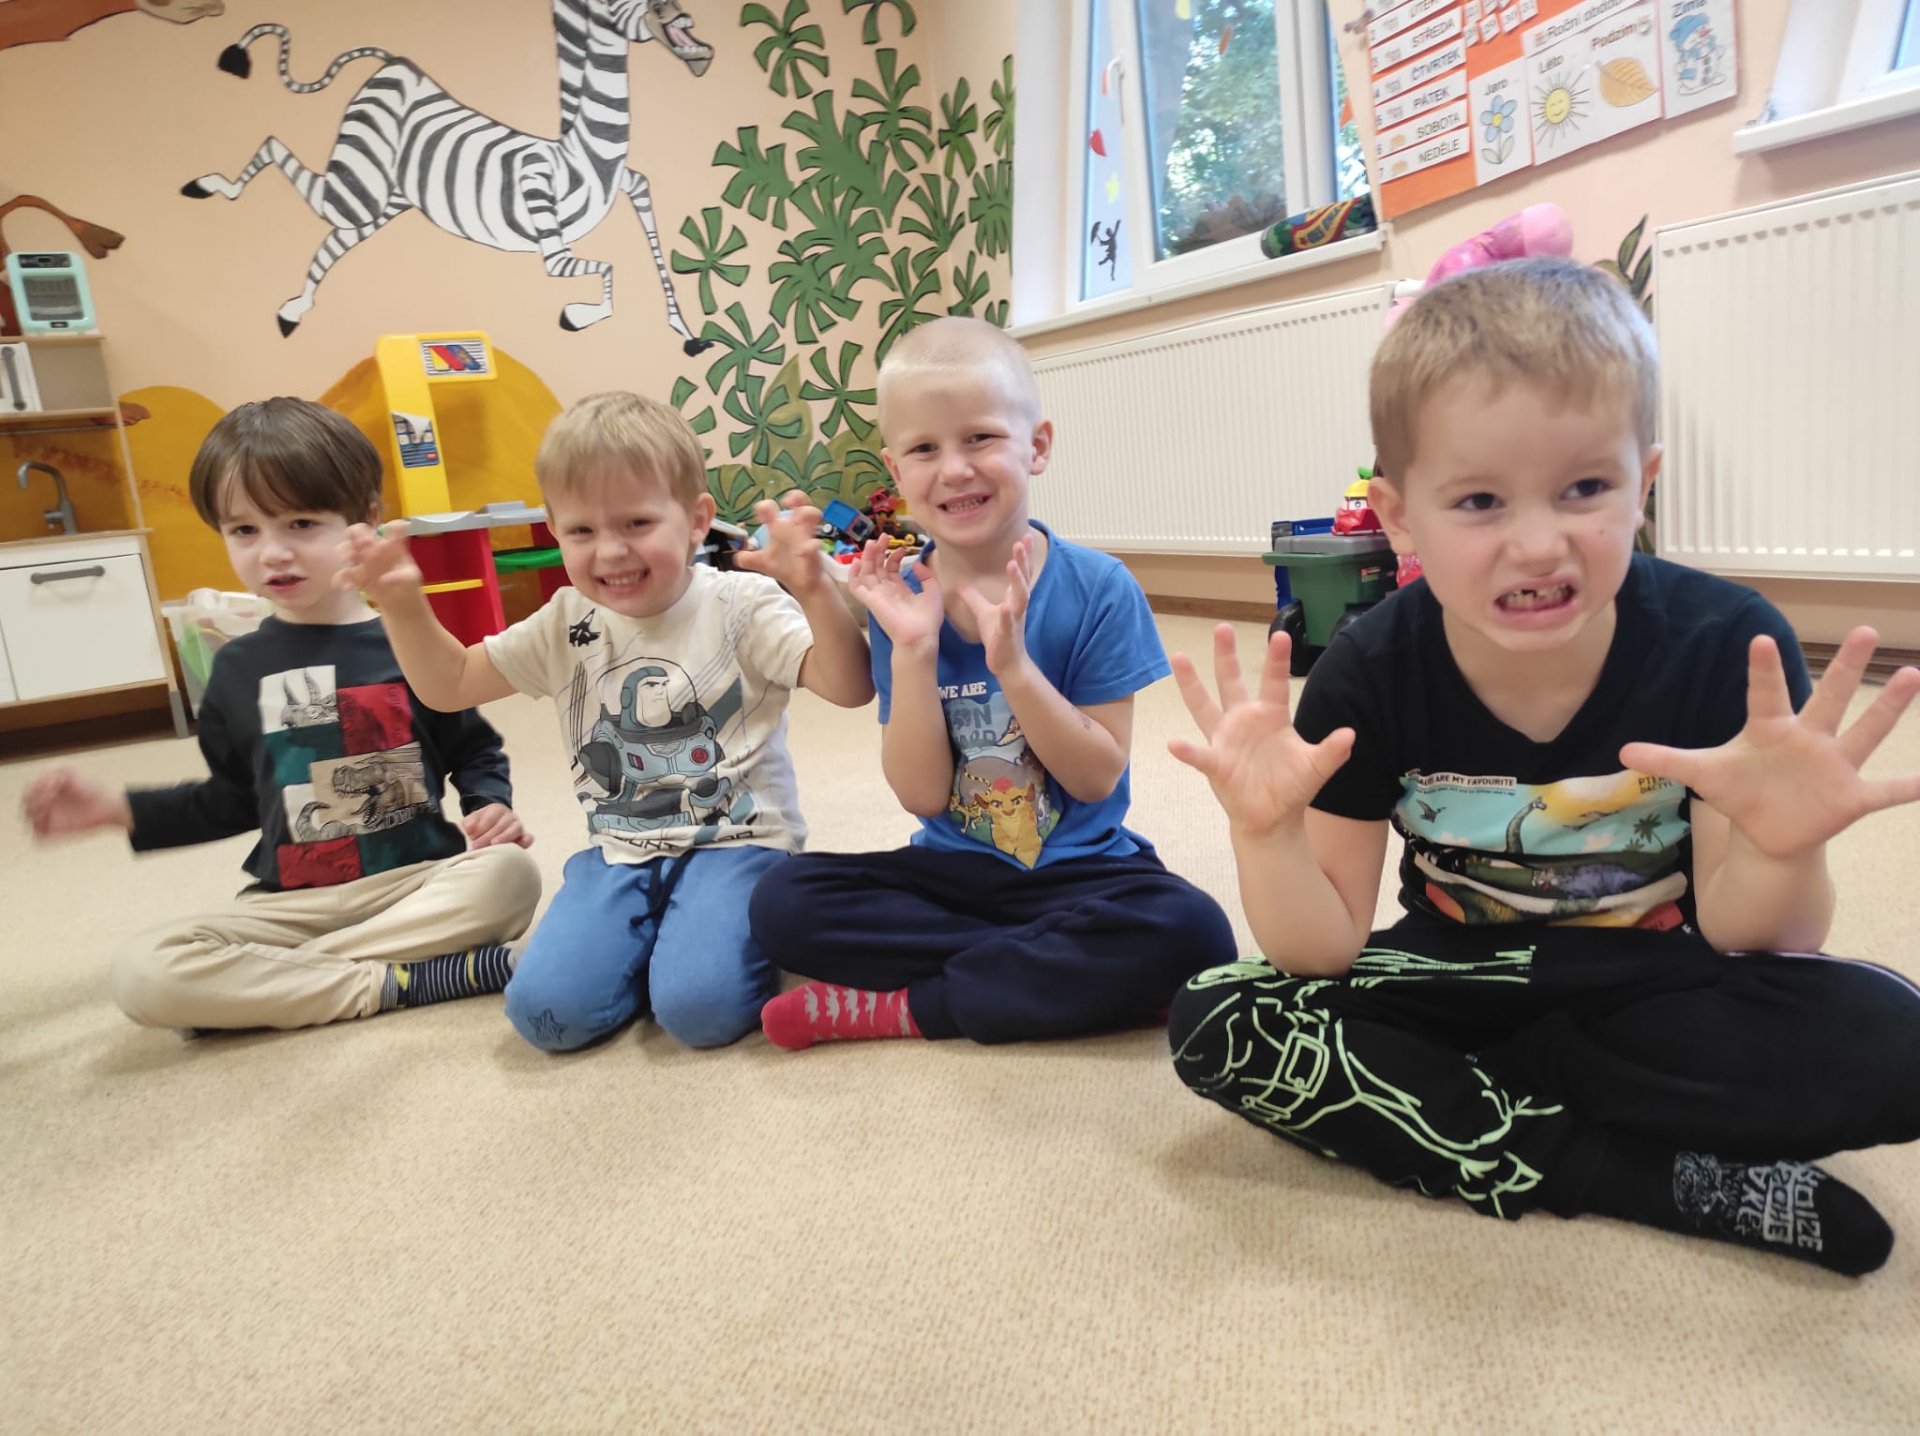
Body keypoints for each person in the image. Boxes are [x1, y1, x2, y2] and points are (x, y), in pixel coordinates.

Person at [1166, 258, 1920, 1275]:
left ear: (1644, 483)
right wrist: (1264, 836)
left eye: (1585, 488)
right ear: (1400, 515)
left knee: (1895, 1041)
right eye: (1480, 499)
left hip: (1656, 981)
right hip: (1452, 980)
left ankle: (1482, 1103)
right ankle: (1633, 1171)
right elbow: (1323, 952)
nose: (1537, 543)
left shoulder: (1727, 648)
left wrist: (1786, 850)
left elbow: (1755, 936)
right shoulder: (1368, 668)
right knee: (1217, 1017)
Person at [749, 317, 1236, 1050]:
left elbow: (1096, 777)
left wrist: (1015, 668)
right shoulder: (898, 596)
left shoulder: (1100, 588)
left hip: (1084, 872)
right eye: (924, 449)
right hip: (950, 875)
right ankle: (1055, 976)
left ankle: (910, 1008)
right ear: (897, 472)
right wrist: (914, 650)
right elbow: (921, 795)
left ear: (1036, 446)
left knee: (1193, 932)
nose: (954, 469)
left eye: (979, 438)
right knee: (783, 903)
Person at [338, 391, 873, 1052]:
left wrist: (815, 588)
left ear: (697, 519)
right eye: (582, 532)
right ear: (554, 530)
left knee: (699, 1012)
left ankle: (692, 940)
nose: (612, 551)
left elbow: (850, 688)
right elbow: (449, 685)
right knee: (545, 1015)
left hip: (739, 844)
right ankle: (651, 940)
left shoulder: (742, 603)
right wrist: (399, 604)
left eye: (637, 523)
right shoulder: (566, 621)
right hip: (620, 851)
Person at [22, 397, 541, 1031]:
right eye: (244, 530)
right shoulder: (235, 670)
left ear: (365, 521)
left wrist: (490, 803)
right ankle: (394, 980)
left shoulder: (410, 643)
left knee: (510, 877)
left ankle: (278, 984)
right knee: (143, 972)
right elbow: (234, 800)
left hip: (414, 884)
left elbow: (474, 748)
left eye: (300, 523)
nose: (272, 552)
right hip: (291, 907)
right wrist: (116, 810)